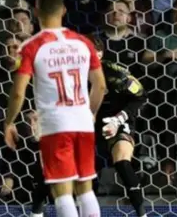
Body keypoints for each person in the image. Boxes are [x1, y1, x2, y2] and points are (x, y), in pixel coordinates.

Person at [3, 0, 107, 217]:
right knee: (85, 189)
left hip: (55, 125)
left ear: (35, 11)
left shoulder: (32, 47)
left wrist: (9, 122)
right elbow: (100, 86)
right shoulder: (83, 42)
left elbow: (18, 92)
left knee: (62, 192)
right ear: (64, 10)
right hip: (82, 122)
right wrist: (90, 113)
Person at [29, 33, 148, 217]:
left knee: (123, 161)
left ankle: (142, 213)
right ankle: (36, 211)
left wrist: (120, 118)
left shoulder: (116, 74)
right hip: (82, 123)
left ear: (99, 54)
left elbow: (140, 96)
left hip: (114, 120)